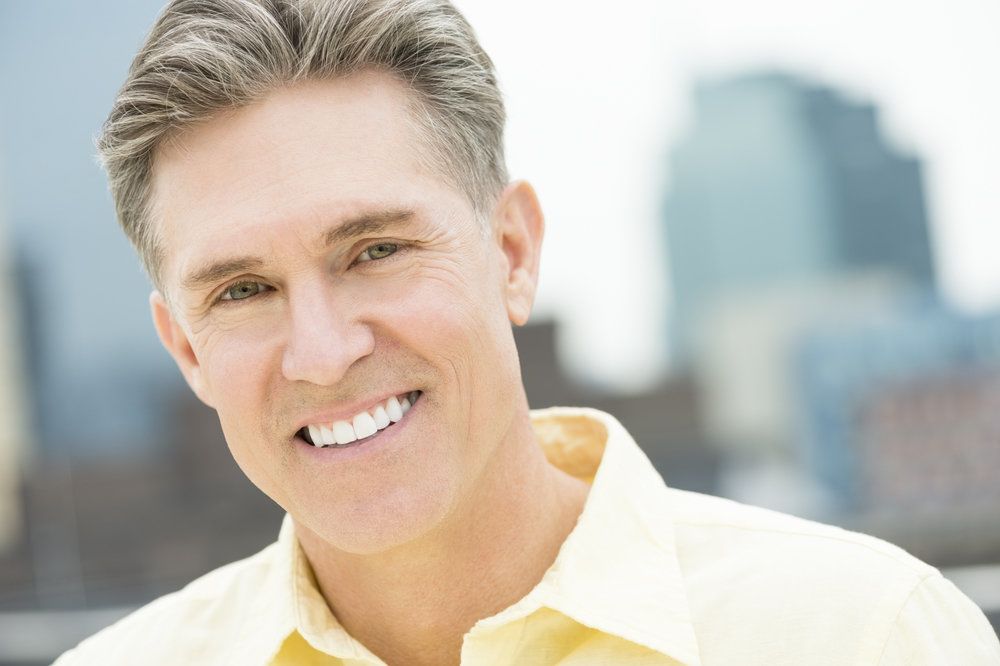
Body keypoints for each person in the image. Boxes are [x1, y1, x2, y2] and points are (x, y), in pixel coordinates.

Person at [56, 0, 999, 664]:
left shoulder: (868, 638)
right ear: (186, 350)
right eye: (244, 290)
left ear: (511, 253)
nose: (324, 350)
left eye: (376, 250)